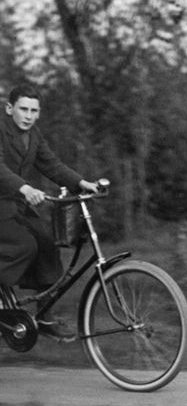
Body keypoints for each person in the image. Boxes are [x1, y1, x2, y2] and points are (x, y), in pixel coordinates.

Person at [0, 83, 101, 341]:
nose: (28, 116)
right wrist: (24, 187)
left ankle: (43, 318)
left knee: (47, 245)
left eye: (34, 111)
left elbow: (52, 165)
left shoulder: (34, 136)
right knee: (24, 246)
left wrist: (81, 183)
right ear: (9, 108)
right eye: (23, 109)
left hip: (15, 206)